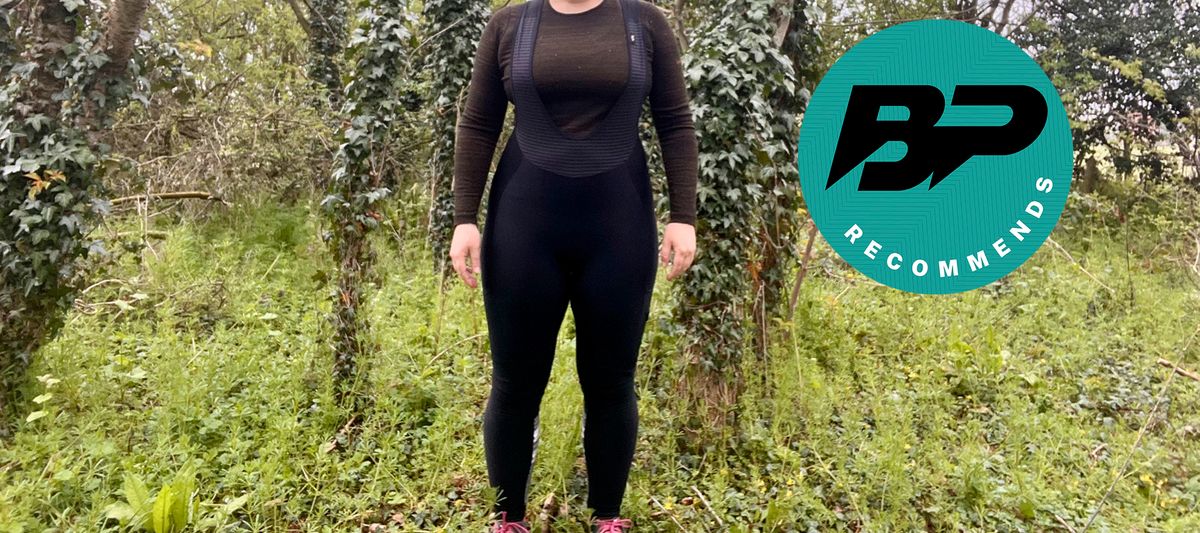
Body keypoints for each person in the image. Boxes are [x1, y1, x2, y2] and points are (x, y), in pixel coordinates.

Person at [448, 0, 698, 529]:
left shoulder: (645, 22)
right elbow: (477, 123)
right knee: (516, 382)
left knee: (611, 381)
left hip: (619, 228)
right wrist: (463, 218)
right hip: (523, 228)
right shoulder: (510, 23)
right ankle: (508, 517)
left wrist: (684, 216)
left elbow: (675, 123)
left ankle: (607, 516)